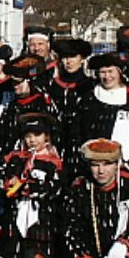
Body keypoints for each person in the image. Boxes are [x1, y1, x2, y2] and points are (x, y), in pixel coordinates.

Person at [75, 52, 129, 182]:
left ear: (119, 72)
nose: (107, 76)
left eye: (110, 71)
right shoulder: (89, 99)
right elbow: (80, 131)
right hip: (97, 166)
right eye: (103, 72)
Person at [0, 112, 63, 258]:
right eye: (28, 135)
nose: (32, 140)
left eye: (37, 135)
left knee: (38, 255)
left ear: (46, 136)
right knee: (14, 250)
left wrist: (33, 188)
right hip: (15, 212)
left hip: (41, 217)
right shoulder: (16, 157)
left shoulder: (53, 162)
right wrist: (8, 182)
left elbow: (56, 188)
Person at [48, 38, 94, 171]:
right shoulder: (53, 86)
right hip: (56, 143)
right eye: (64, 57)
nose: (68, 62)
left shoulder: (90, 85)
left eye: (73, 57)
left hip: (82, 142)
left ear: (82, 59)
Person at [0, 54, 57, 151]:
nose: (15, 86)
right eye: (13, 83)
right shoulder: (11, 105)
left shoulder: (43, 103)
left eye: (19, 83)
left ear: (30, 82)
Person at [22, 25, 57, 90]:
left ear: (48, 45)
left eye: (40, 44)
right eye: (32, 45)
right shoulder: (23, 68)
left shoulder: (57, 69)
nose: (36, 48)